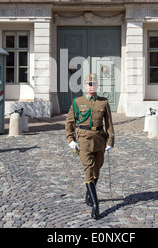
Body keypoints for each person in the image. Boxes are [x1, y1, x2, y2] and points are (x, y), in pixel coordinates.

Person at [65, 73, 115, 220]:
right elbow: (69, 122)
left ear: (97, 85)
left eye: (94, 84)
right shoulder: (77, 102)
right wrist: (70, 139)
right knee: (89, 169)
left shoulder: (103, 102)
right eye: (89, 84)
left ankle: (89, 193)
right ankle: (95, 205)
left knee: (97, 169)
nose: (92, 86)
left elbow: (109, 124)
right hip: (84, 140)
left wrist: (111, 141)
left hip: (99, 140)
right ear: (86, 86)